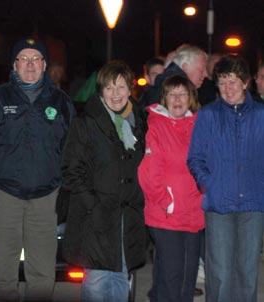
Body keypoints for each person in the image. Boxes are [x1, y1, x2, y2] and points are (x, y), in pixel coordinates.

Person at [0, 38, 75, 301]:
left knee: (42, 274)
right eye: (23, 59)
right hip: (3, 194)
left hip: (46, 196)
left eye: (35, 58)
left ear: (45, 65)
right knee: (5, 273)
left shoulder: (60, 101)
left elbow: (71, 150)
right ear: (14, 65)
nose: (30, 64)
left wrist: (68, 190)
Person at [62, 60, 147, 302]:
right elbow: (71, 169)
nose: (116, 94)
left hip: (127, 215)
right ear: (101, 91)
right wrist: (93, 205)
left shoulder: (140, 123)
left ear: (130, 90)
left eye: (121, 87)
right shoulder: (86, 123)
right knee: (98, 280)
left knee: (121, 277)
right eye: (109, 88)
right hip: (97, 217)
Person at [187, 55, 264, 302]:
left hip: (253, 204)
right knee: (219, 272)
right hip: (219, 203)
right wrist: (208, 183)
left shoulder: (261, 115)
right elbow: (195, 157)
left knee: (247, 271)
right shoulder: (208, 115)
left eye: (232, 81)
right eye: (222, 82)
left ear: (245, 83)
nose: (227, 88)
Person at [138, 75, 204, 302]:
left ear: (191, 98)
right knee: (172, 279)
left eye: (182, 94)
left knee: (187, 277)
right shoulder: (156, 126)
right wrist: (168, 202)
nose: (177, 99)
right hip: (166, 215)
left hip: (194, 213)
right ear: (164, 98)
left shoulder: (198, 125)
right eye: (172, 94)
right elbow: (148, 174)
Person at [140, 45, 208, 108]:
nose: (206, 74)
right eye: (201, 70)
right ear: (185, 67)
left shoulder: (165, 86)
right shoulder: (170, 90)